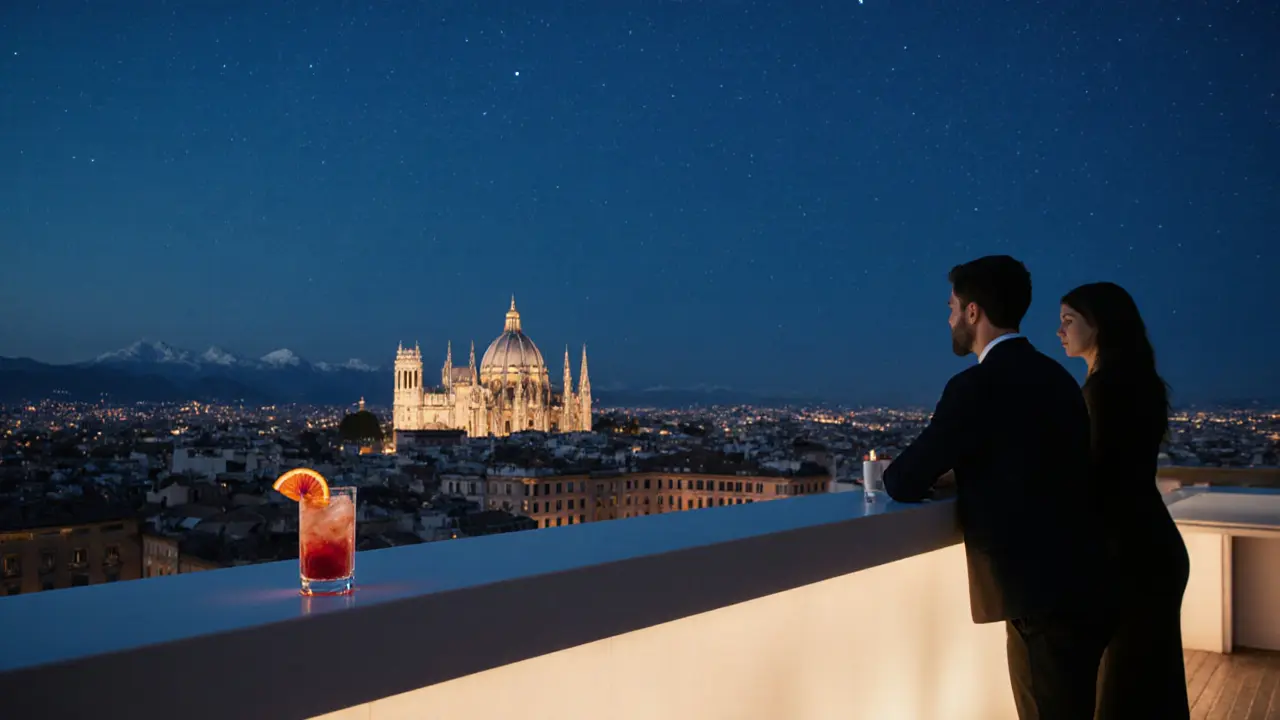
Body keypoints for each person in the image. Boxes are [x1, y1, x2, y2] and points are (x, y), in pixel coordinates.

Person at [884, 255, 1114, 720]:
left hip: (1034, 595)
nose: (948, 318)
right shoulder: (1059, 379)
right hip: (1086, 579)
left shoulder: (976, 386)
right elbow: (1035, 461)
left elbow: (903, 479)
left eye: (952, 307)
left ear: (973, 312)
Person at [1058, 282, 1190, 720]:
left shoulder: (1103, 390)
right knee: (1151, 684)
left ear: (1099, 325)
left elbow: (1093, 475)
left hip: (1129, 556)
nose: (1060, 331)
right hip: (1150, 545)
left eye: (1069, 321)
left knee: (1122, 691)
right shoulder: (1136, 382)